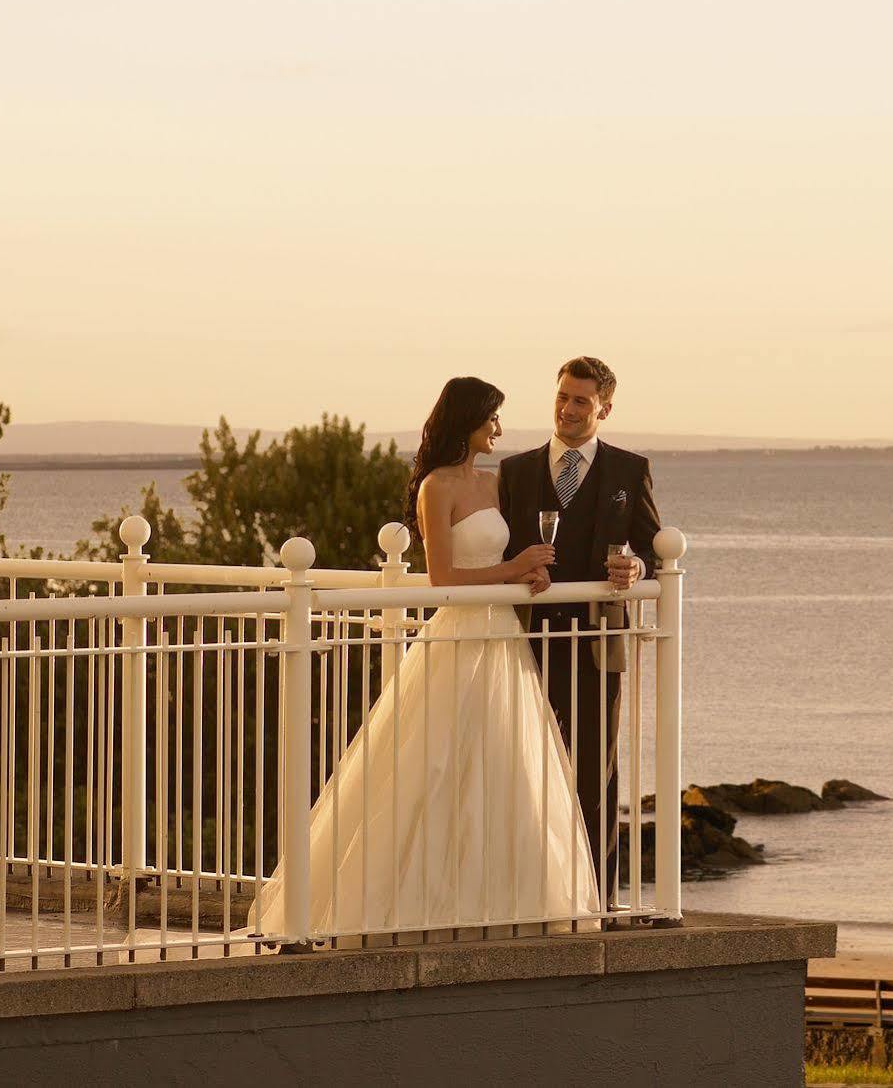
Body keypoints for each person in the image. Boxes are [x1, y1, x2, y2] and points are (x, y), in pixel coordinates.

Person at [253, 377, 599, 938]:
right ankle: (420, 909)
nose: (500, 430)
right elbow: (443, 579)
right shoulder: (436, 488)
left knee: (506, 768)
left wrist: (527, 574)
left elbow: (501, 556)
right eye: (493, 420)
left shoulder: (495, 482)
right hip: (459, 636)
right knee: (435, 766)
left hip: (503, 639)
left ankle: (504, 904)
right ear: (469, 421)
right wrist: (513, 569)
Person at [497, 356, 660, 908]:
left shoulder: (629, 470)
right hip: (523, 643)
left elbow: (653, 552)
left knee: (595, 773)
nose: (568, 410)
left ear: (605, 409)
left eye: (581, 401)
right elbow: (499, 553)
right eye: (562, 397)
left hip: (598, 645)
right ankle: (529, 892)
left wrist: (635, 569)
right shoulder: (515, 471)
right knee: (521, 767)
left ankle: (597, 899)